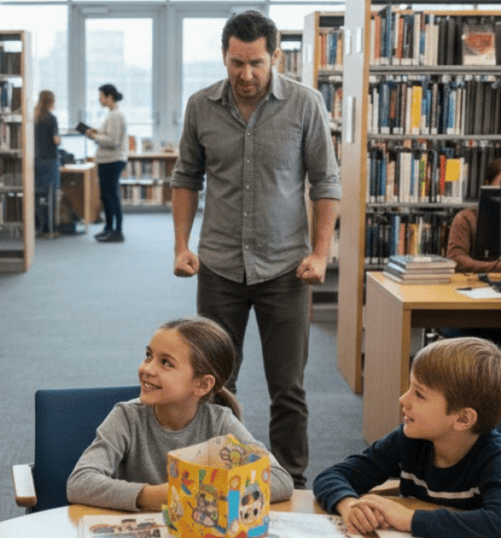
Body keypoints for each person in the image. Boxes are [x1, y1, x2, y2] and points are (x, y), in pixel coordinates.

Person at [170, 10, 341, 488]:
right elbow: (186, 177)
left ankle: (294, 483)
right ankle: (223, 475)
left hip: (286, 271)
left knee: (288, 389)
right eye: (236, 63)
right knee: (215, 385)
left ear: (276, 57)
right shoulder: (201, 106)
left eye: (256, 63)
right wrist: (181, 245)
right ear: (224, 57)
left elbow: (326, 181)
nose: (246, 75)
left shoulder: (305, 105)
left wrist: (320, 251)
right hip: (219, 268)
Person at [66, 316, 294, 512]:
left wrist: (201, 492)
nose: (146, 369)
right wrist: (155, 496)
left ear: (202, 385)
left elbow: (280, 479)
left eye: (166, 363)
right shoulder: (126, 417)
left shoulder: (220, 423)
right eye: (148, 355)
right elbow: (79, 482)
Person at [313, 337, 501, 538]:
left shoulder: (496, 457)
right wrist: (348, 505)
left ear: (462, 419)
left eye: (420, 394)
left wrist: (409, 519)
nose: (403, 399)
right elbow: (331, 476)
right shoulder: (409, 441)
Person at [443, 157, 501, 414]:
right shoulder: (467, 218)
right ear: (487, 187)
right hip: (472, 309)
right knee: (492, 340)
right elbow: (457, 260)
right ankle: (481, 409)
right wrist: (499, 266)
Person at [85, 83, 127, 243]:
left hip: (112, 159)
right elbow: (109, 135)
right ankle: (109, 228)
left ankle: (117, 231)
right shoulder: (112, 114)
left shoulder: (116, 115)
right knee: (107, 196)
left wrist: (94, 137)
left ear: (109, 97)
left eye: (101, 96)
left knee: (111, 196)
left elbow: (113, 141)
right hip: (107, 160)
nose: (99, 100)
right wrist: (98, 133)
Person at [33, 90, 61, 237]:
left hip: (35, 160)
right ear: (51, 102)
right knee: (50, 196)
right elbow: (56, 140)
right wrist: (60, 140)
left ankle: (39, 227)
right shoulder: (51, 118)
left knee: (38, 195)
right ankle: (50, 229)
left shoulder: (34, 116)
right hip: (49, 161)